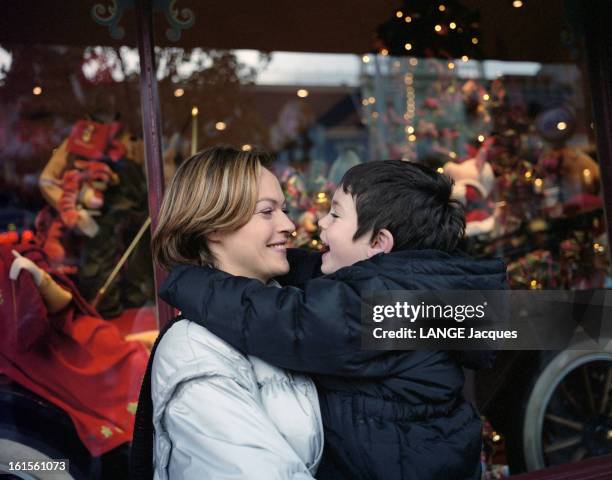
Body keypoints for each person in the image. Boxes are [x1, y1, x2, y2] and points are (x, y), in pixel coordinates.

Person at [159, 160, 508, 480]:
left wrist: (189, 281)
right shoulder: (407, 288)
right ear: (213, 229)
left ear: (378, 243)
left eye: (336, 215)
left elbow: (292, 320)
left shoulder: (384, 306)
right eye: (268, 211)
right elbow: (319, 288)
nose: (304, 224)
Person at [130, 147, 324, 480]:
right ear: (214, 227)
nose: (289, 225)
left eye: (285, 210)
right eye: (267, 212)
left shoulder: (295, 310)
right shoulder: (194, 349)